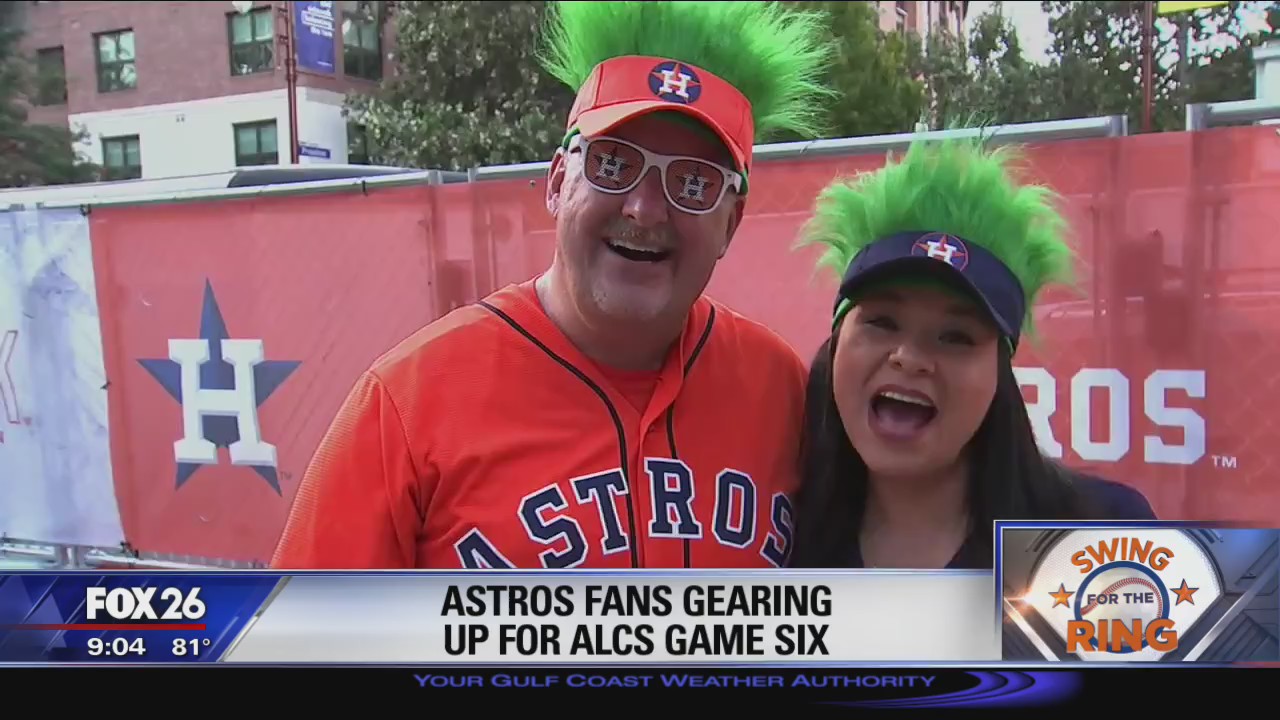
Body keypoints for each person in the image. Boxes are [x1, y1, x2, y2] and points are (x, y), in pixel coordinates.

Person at [270, 1, 836, 569]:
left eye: (693, 183)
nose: (644, 209)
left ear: (730, 224)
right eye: (613, 165)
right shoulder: (407, 402)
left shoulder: (780, 388)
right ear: (559, 181)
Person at [788, 135, 1156, 570]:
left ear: (999, 374)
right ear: (836, 340)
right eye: (882, 322)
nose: (908, 356)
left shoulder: (1102, 537)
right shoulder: (775, 538)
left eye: (956, 337)